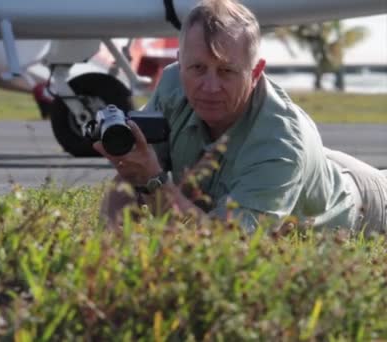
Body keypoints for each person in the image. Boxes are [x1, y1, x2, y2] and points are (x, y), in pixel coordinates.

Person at [93, 0, 387, 235]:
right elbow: (131, 178)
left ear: (256, 72)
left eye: (227, 71)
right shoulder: (173, 85)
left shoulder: (282, 144)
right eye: (197, 69)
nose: (209, 87)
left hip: (360, 202)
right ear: (180, 63)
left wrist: (155, 182)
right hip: (302, 166)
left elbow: (223, 245)